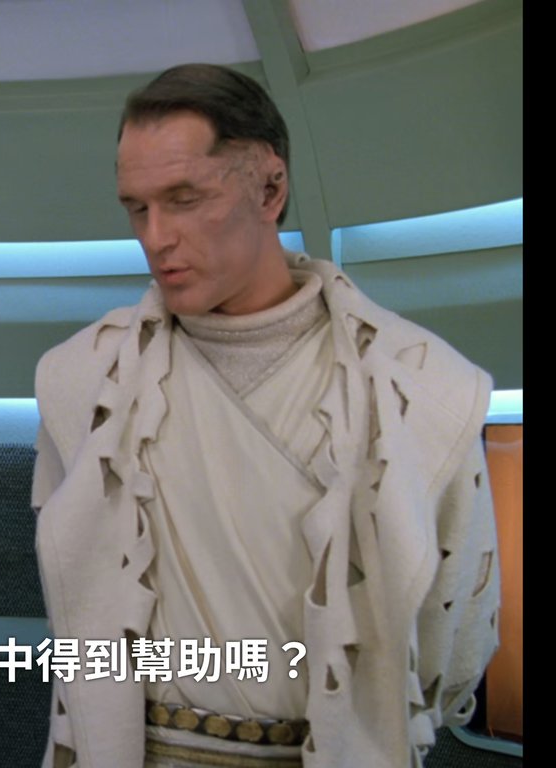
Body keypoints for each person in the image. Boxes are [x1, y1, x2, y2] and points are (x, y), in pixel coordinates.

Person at [31, 65, 499, 768]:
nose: (156, 237)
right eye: (137, 208)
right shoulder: (81, 384)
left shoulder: (426, 391)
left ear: (270, 189)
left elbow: (452, 645)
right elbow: (78, 611)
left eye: (184, 199)